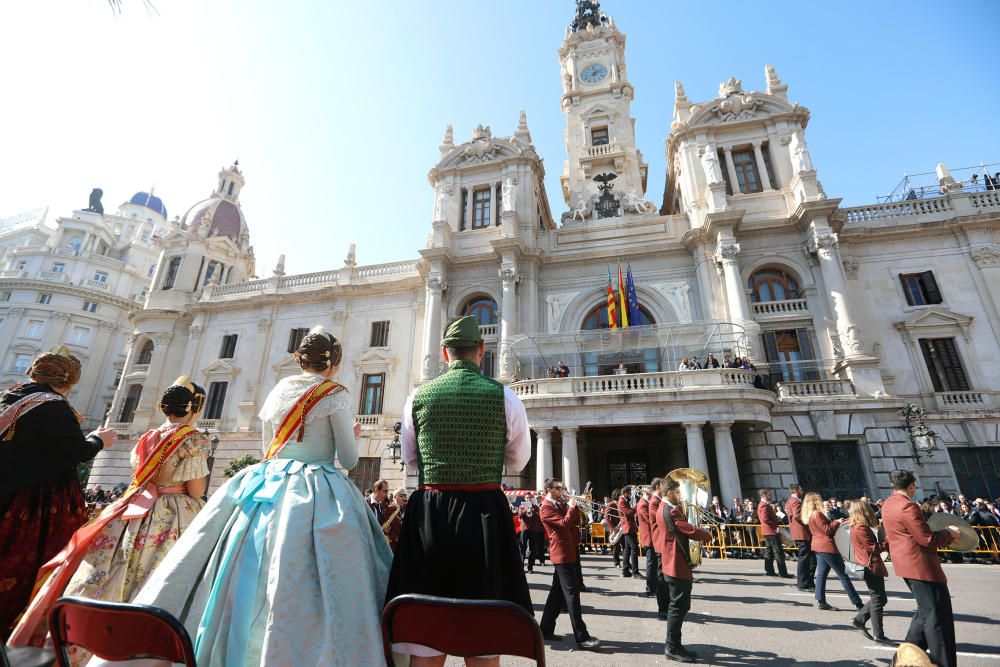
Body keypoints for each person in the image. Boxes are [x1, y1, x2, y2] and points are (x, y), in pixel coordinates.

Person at [120, 327, 393, 665]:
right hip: (318, 488)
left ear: (300, 359)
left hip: (267, 484)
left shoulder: (279, 388)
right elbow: (349, 460)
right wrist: (352, 434)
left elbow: (269, 449)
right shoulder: (334, 393)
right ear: (334, 362)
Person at [11, 377, 211, 652]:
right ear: (194, 409)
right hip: (174, 511)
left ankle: (86, 636)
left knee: (115, 564)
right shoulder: (195, 440)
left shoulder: (147, 436)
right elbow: (197, 490)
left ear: (163, 408)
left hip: (135, 508)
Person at [386, 316, 531, 667]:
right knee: (482, 630)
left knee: (426, 627)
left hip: (430, 515)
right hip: (485, 514)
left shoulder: (418, 396)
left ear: (444, 354)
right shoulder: (504, 396)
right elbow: (519, 459)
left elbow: (410, 458)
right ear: (482, 352)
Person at [0, 350, 116, 641]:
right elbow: (73, 452)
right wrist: (99, 440)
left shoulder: (10, 397)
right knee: (33, 562)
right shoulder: (52, 405)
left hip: (7, 489)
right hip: (37, 501)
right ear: (70, 379)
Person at [882, 469, 960, 667]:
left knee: (925, 613)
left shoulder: (889, 503)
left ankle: (901, 658)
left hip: (908, 565)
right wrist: (950, 533)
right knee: (937, 619)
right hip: (921, 567)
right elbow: (928, 539)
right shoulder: (907, 506)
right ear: (911, 486)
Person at [538, 478, 601, 650]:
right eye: (559, 488)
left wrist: (578, 509)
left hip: (569, 552)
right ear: (550, 490)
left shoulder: (559, 505)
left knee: (556, 594)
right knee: (572, 595)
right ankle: (581, 637)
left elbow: (576, 523)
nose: (562, 490)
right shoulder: (545, 508)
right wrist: (572, 507)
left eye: (563, 487)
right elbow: (564, 524)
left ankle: (545, 630)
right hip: (562, 554)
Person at [656, 477, 712, 663]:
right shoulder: (670, 511)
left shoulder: (666, 508)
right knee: (677, 608)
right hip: (676, 564)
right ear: (669, 492)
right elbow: (689, 529)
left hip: (673, 563)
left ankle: (676, 645)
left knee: (679, 607)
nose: (680, 495)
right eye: (678, 492)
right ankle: (672, 647)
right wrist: (707, 534)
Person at [803, 491, 863, 611]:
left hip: (818, 546)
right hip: (827, 547)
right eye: (818, 499)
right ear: (815, 501)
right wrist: (837, 522)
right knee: (843, 575)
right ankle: (858, 603)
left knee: (821, 575)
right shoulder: (817, 514)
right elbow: (827, 530)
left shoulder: (810, 515)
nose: (821, 501)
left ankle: (821, 600)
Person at [848, 500, 894, 646]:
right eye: (868, 508)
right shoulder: (860, 527)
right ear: (862, 511)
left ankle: (859, 620)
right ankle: (878, 635)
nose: (871, 511)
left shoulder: (858, 526)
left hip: (869, 565)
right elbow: (873, 548)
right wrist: (888, 541)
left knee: (880, 599)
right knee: (878, 600)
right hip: (871, 567)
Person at [786, 483, 815, 591]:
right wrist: (809, 522)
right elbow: (797, 515)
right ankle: (803, 583)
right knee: (804, 559)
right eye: (801, 489)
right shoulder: (794, 501)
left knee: (810, 559)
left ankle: (809, 581)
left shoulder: (792, 500)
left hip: (802, 533)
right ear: (796, 490)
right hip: (801, 533)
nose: (802, 491)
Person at [758, 489, 791, 578]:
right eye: (769, 494)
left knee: (769, 551)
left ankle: (769, 570)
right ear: (764, 495)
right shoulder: (764, 505)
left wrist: (776, 518)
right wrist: (776, 523)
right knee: (778, 551)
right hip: (771, 531)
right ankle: (783, 573)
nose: (770, 496)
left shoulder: (764, 504)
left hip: (768, 531)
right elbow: (765, 519)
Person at [519, 492, 546, 572]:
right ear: (525, 498)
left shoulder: (535, 507)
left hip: (533, 530)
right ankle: (521, 566)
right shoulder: (521, 506)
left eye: (530, 498)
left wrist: (532, 510)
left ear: (532, 499)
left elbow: (538, 517)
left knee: (532, 549)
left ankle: (530, 567)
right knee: (522, 548)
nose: (528, 499)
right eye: (527, 498)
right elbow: (520, 515)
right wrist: (525, 510)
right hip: (524, 529)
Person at [637, 485, 655, 596]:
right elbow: (649, 520)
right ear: (647, 492)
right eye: (651, 491)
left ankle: (654, 586)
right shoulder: (643, 503)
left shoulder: (646, 502)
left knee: (653, 563)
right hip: (649, 537)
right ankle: (650, 588)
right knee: (651, 564)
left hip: (651, 537)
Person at [618, 485, 639, 577]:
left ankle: (625, 570)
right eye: (630, 494)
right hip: (628, 527)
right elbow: (629, 513)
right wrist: (636, 506)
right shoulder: (622, 501)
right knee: (634, 549)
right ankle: (635, 572)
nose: (630, 495)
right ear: (625, 493)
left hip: (629, 527)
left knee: (627, 549)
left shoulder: (625, 500)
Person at [384, 487, 408, 553]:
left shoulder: (405, 508)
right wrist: (395, 537)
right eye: (401, 495)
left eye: (405, 495)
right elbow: (386, 527)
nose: (404, 497)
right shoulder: (389, 508)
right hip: (393, 545)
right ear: (395, 497)